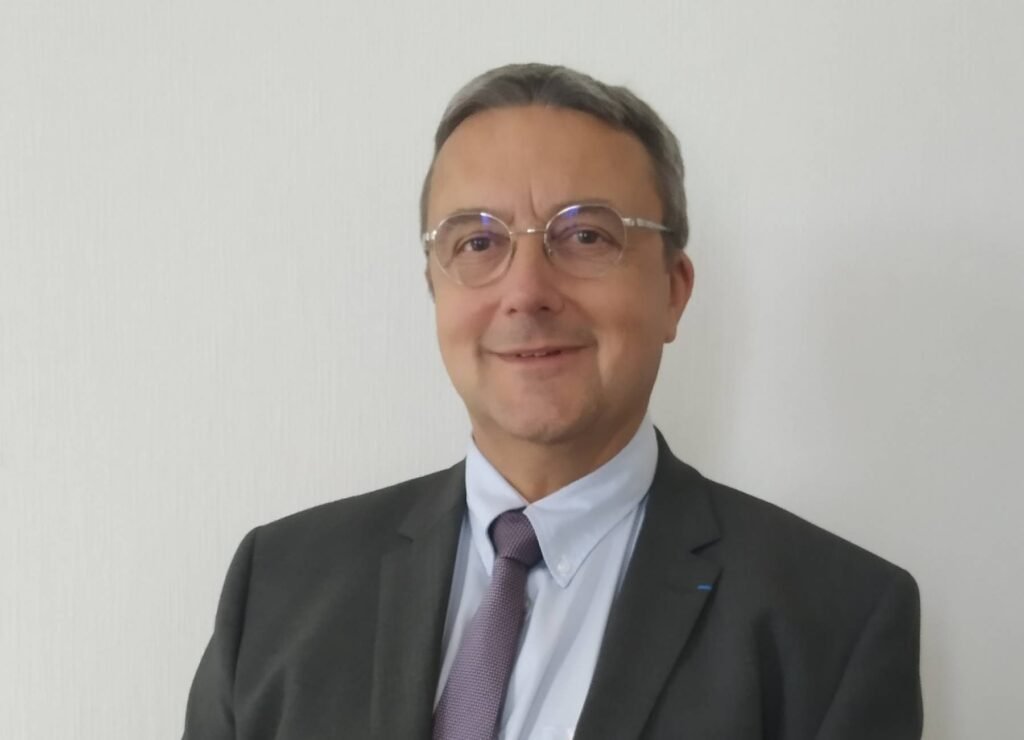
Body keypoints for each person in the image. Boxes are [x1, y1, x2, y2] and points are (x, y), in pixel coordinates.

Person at [183, 63, 922, 740]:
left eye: (586, 236)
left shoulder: (835, 622)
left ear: (673, 291)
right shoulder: (277, 587)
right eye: (478, 243)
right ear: (434, 287)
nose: (527, 291)